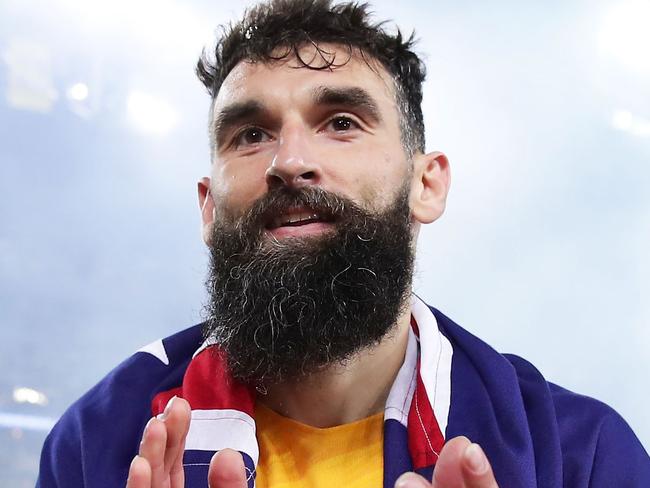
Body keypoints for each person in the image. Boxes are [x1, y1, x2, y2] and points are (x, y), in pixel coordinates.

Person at [37, 0, 650, 487]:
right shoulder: (101, 443)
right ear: (208, 204)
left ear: (426, 184)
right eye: (251, 134)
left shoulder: (579, 456)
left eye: (341, 123)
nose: (290, 161)